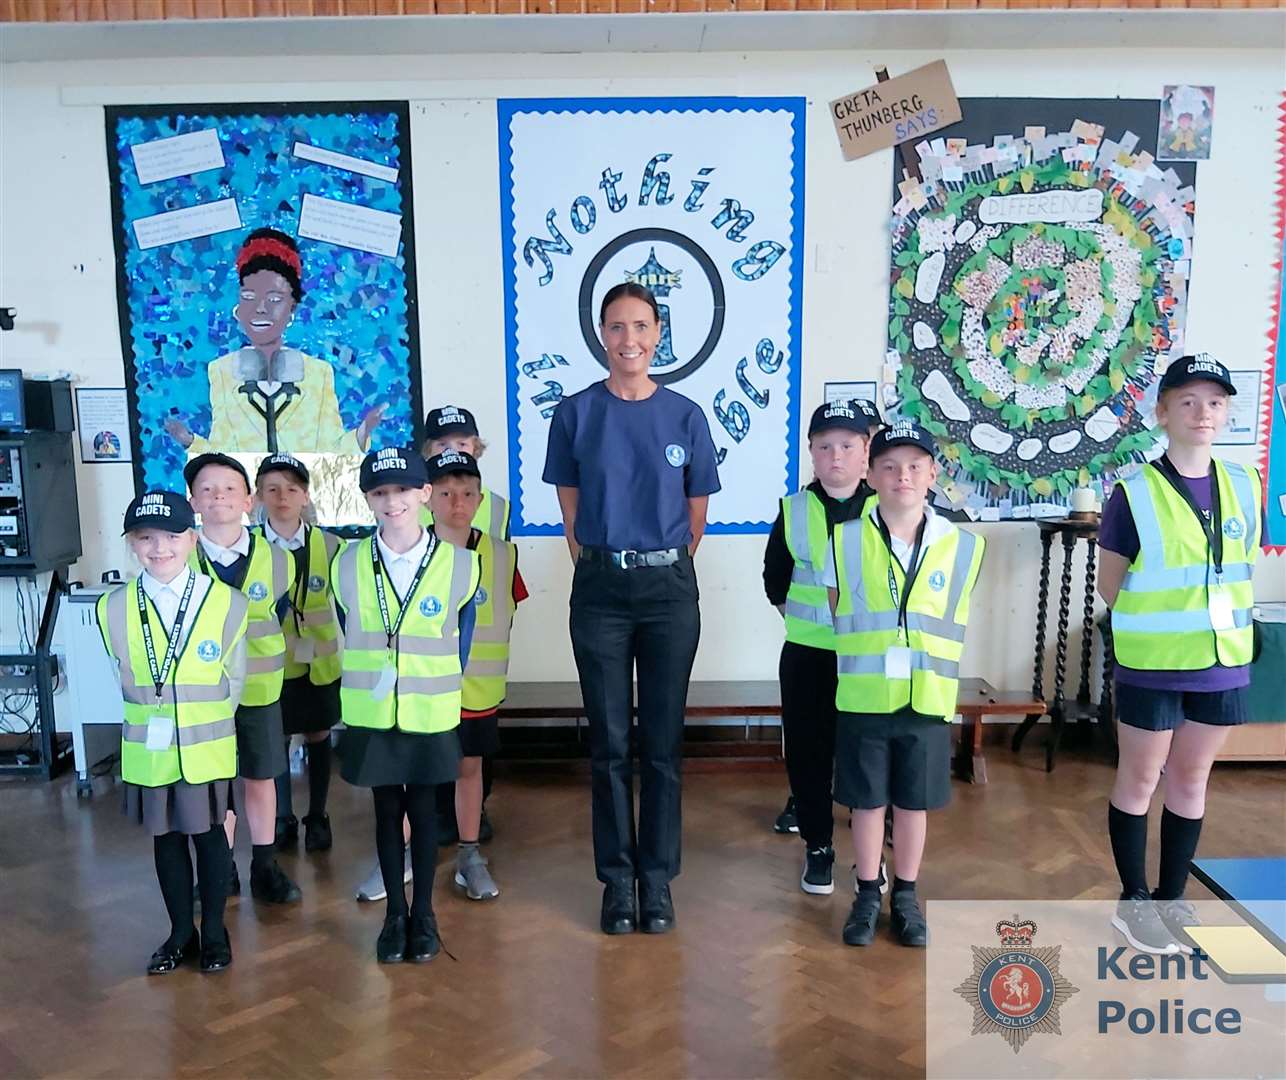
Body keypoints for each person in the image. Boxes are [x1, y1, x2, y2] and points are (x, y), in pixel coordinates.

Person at [543, 281, 721, 936]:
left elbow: (695, 517)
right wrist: (598, 556)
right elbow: (570, 503)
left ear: (659, 333)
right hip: (600, 593)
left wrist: (659, 562)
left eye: (641, 326)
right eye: (616, 327)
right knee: (611, 744)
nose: (630, 340)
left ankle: (658, 879)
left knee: (663, 744)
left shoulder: (685, 416)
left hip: (669, 592)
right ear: (601, 334)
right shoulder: (575, 414)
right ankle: (617, 882)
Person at [1096, 354, 1262, 955]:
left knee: (1192, 779)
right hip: (1154, 663)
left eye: (1214, 402)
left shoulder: (1246, 483)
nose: (1202, 413)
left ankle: (1172, 897)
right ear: (1162, 412)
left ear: (1225, 414)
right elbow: (1108, 585)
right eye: (1187, 401)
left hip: (1221, 662)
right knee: (1140, 778)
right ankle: (1133, 900)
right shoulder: (1132, 493)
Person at [827, 421, 985, 947]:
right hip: (866, 696)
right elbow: (837, 610)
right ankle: (868, 892)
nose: (903, 476)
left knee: (913, 803)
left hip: (928, 696)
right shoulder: (844, 540)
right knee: (867, 803)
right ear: (870, 475)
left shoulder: (963, 546)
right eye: (890, 466)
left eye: (915, 465)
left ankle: (907, 896)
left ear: (933, 474)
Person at [333, 446, 480, 962]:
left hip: (429, 710)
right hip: (372, 712)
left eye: (402, 490)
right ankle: (394, 912)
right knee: (385, 810)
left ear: (425, 493)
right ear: (369, 499)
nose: (392, 501)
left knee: (423, 810)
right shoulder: (346, 563)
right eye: (380, 492)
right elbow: (345, 629)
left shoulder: (462, 565)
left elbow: (461, 641)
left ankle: (425, 914)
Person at [98, 490, 248, 974]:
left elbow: (236, 680)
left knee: (209, 840)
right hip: (151, 753)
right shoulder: (112, 607)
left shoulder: (227, 603)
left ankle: (215, 932)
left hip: (206, 749)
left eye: (171, 536)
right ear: (132, 545)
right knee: (165, 842)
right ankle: (179, 932)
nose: (159, 548)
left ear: (193, 539)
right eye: (146, 538)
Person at [763, 400, 876, 895]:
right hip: (808, 656)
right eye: (825, 446)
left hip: (870, 658)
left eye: (847, 446)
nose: (836, 456)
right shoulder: (793, 510)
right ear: (810, 452)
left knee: (867, 755)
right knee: (809, 755)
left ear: (866, 450)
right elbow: (775, 582)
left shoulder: (885, 507)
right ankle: (818, 847)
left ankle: (870, 857)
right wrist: (809, 625)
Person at [185, 452, 302, 904]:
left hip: (259, 690)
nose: (219, 497)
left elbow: (278, 614)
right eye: (208, 490)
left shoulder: (277, 560)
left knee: (260, 777)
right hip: (204, 696)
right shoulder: (181, 556)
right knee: (215, 784)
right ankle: (221, 870)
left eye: (230, 488)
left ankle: (265, 866)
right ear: (194, 501)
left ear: (248, 500)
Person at [165, 228, 385, 455]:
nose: (260, 309)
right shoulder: (221, 371)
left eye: (274, 299)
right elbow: (223, 453)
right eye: (249, 298)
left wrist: (361, 434)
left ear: (292, 309)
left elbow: (330, 449)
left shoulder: (317, 374)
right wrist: (191, 442)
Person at [424, 449, 528, 900]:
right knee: (418, 773)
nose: (457, 503)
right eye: (446, 493)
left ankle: (469, 856)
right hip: (419, 689)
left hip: (478, 692)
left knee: (470, 770)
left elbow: (511, 606)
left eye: (467, 493)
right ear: (428, 497)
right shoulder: (410, 551)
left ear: (480, 498)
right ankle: (410, 853)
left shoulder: (502, 553)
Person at [421, 403, 507, 849]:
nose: (453, 451)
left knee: (476, 755)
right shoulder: (415, 505)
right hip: (431, 657)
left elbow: (502, 575)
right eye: (442, 445)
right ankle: (437, 815)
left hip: (481, 667)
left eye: (462, 443)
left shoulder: (498, 508)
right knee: (436, 751)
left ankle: (475, 815)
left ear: (477, 448)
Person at [252, 453, 343, 854]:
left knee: (319, 734)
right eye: (272, 489)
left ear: (305, 496)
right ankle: (283, 816)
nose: (282, 497)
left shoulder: (331, 545)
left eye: (291, 488)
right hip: (272, 665)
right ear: (258, 497)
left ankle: (318, 815)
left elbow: (347, 608)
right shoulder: (250, 548)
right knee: (278, 738)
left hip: (320, 663)